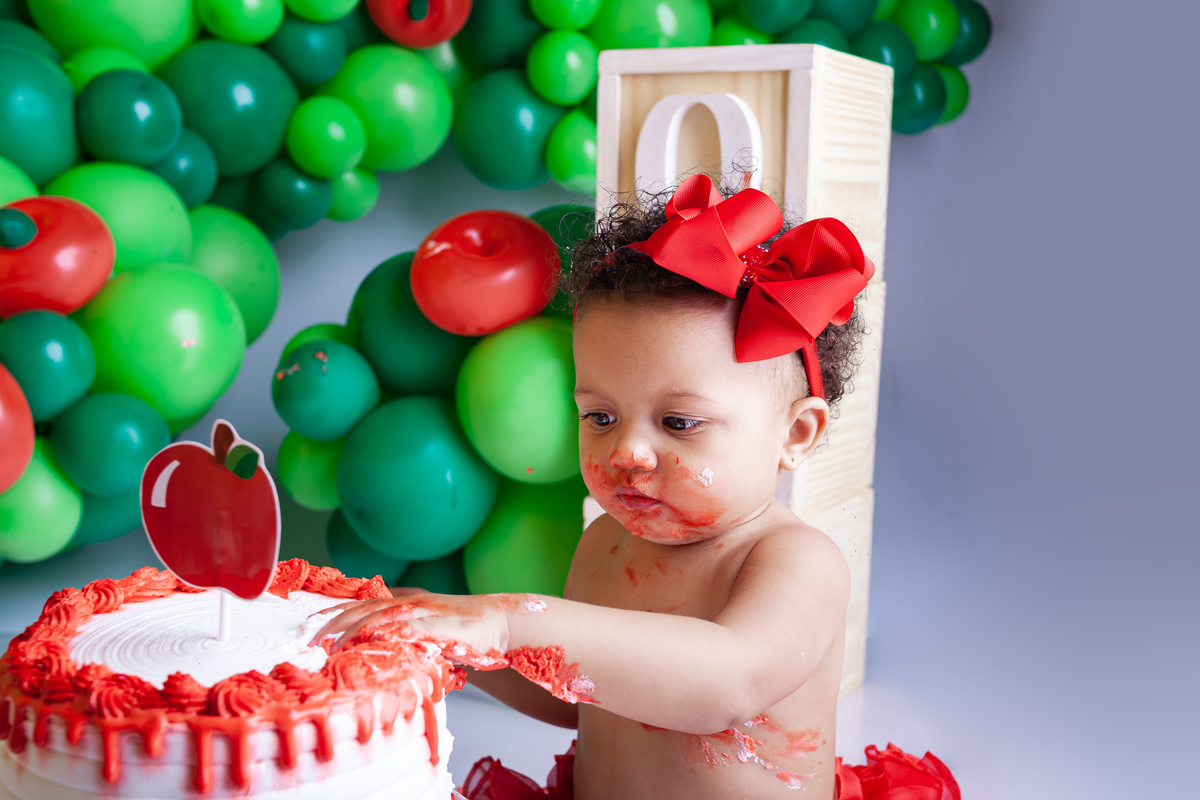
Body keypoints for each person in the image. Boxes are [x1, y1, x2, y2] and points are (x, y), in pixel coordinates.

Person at [314, 174, 960, 800]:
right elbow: (574, 692)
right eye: (599, 415)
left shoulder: (793, 561)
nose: (626, 451)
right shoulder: (605, 544)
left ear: (795, 433)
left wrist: (511, 625)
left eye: (678, 422)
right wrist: (450, 638)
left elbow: (726, 681)